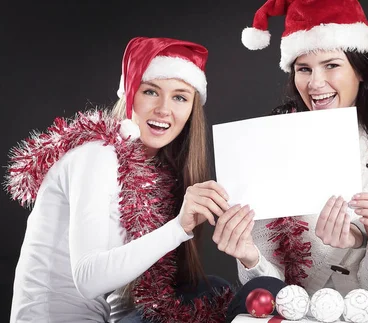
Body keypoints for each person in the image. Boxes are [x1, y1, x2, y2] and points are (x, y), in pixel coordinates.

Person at [216, 1, 368, 322]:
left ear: (360, 70)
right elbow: (262, 288)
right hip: (290, 315)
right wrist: (248, 257)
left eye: (331, 65)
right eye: (304, 69)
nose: (315, 83)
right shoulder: (264, 147)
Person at [7, 37, 234, 323]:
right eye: (151, 91)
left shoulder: (149, 175)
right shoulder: (98, 154)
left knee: (211, 290)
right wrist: (179, 226)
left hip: (99, 317)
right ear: (129, 94)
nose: (164, 109)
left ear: (191, 110)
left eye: (179, 97)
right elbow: (88, 280)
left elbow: (119, 289)